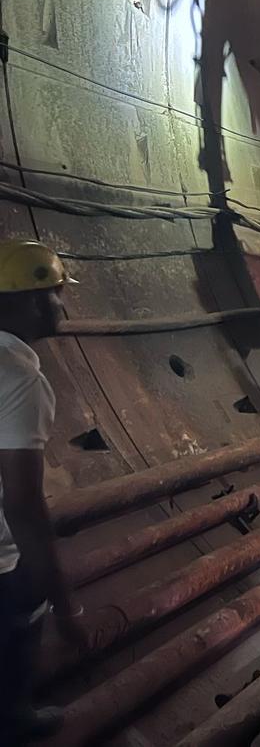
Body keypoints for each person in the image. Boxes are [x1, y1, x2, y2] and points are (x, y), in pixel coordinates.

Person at [0, 240, 87, 742]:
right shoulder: (18, 377)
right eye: (55, 294)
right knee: (23, 606)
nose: (62, 305)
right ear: (30, 301)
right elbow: (23, 506)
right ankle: (14, 717)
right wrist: (65, 606)